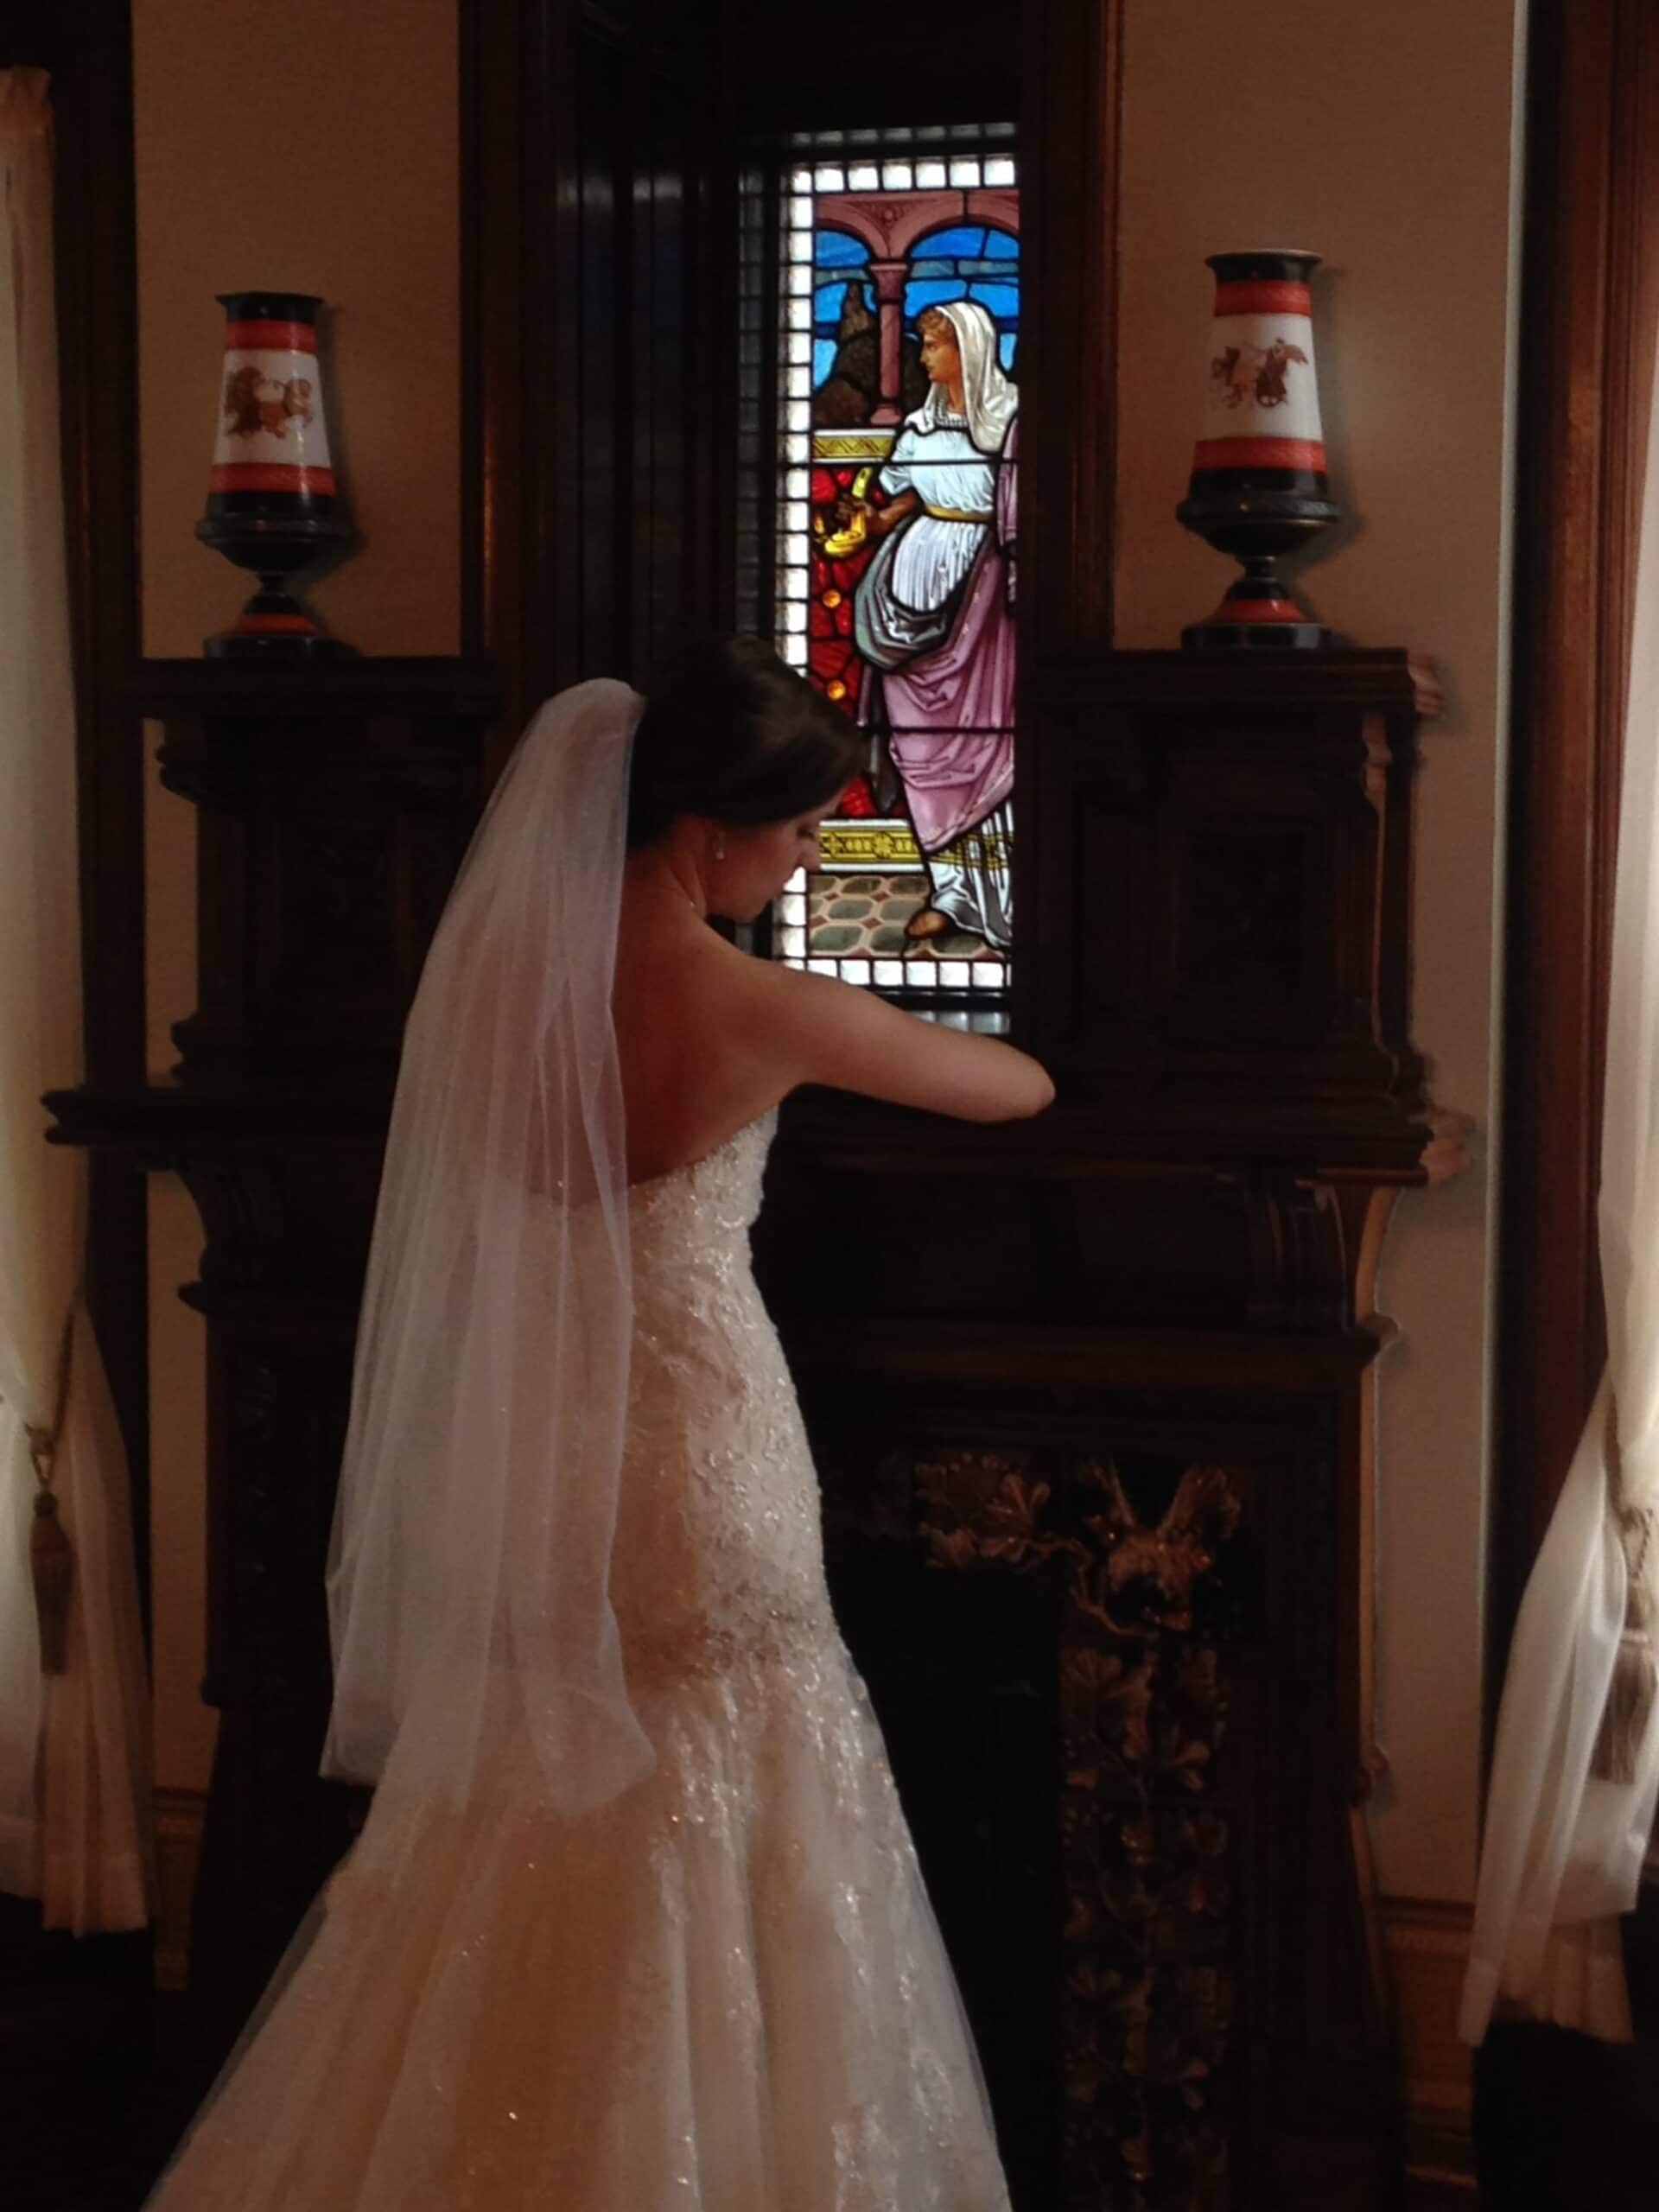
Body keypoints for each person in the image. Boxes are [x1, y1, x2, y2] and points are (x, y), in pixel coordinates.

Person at [145, 639, 1052, 2209]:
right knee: (743, 1768)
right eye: (797, 829)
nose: (806, 856)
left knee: (527, 1802)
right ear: (706, 831)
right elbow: (1014, 1092)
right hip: (705, 1452)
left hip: (547, 1446)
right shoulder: (768, 1007)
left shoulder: (494, 990)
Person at [847, 299, 1018, 949]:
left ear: (969, 349)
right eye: (921, 344)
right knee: (918, 749)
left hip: (980, 606)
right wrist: (871, 524)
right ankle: (948, 889)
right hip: (905, 598)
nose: (923, 356)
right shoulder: (918, 425)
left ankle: (999, 897)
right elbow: (907, 497)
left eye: (934, 345)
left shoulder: (1008, 423)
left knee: (985, 746)